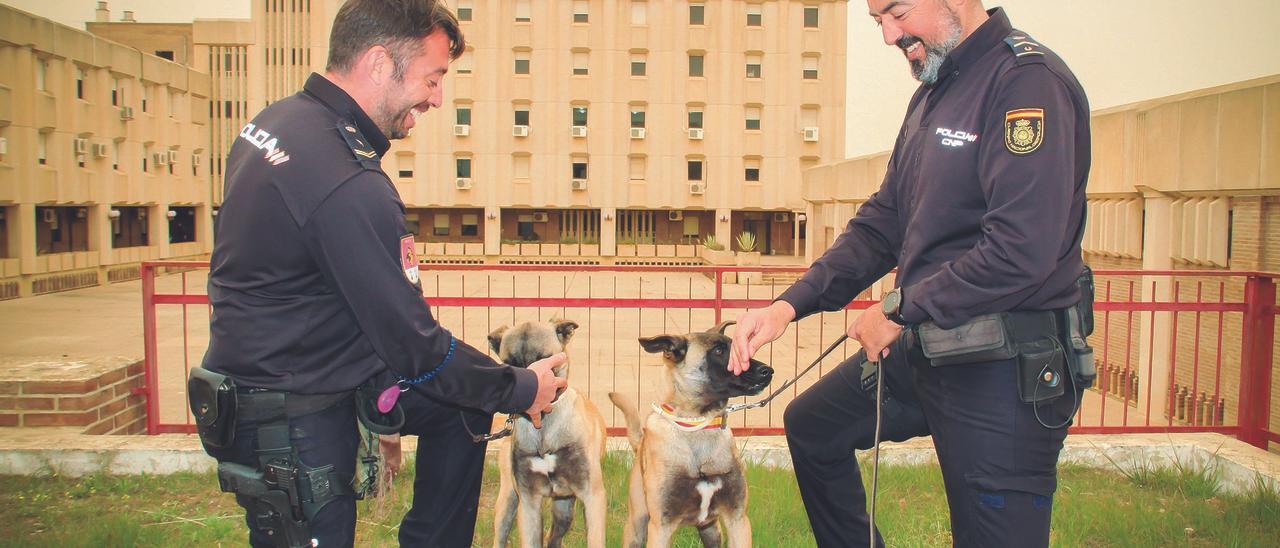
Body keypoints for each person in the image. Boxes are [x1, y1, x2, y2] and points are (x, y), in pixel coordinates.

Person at [195, 1, 565, 546]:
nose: (438, 97)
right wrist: (520, 386)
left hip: (311, 370)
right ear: (378, 63)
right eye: (433, 77)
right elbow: (417, 348)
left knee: (459, 406)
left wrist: (480, 390)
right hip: (288, 407)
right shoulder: (345, 181)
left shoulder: (277, 123)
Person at [729, 1, 1091, 546]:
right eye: (878, 21)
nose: (889, 35)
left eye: (896, 12)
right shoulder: (932, 92)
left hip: (1003, 372)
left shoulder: (1026, 85)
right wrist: (787, 306)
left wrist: (899, 310)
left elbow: (1020, 251)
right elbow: (884, 223)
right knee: (813, 426)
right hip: (928, 350)